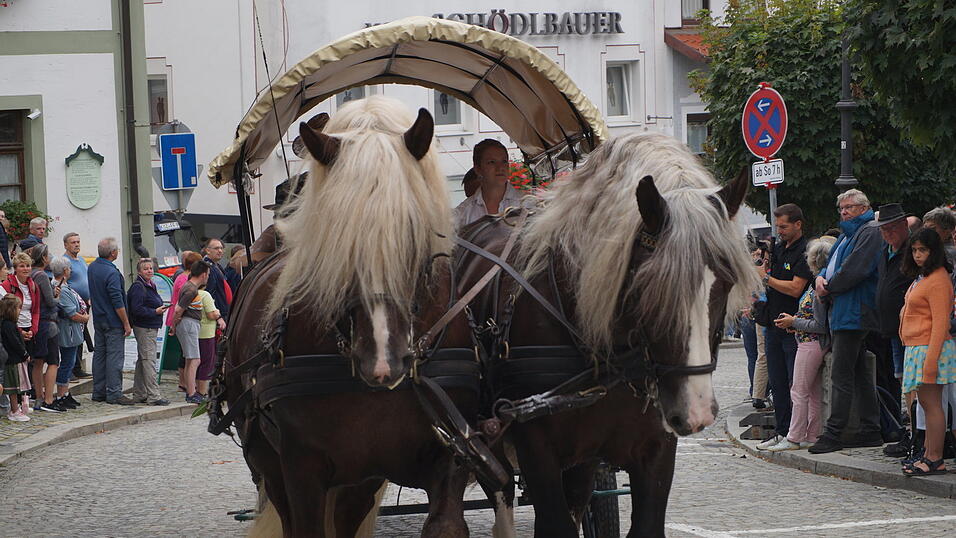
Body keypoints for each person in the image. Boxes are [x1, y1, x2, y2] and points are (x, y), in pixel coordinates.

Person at [809, 189, 884, 454]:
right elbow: (831, 264)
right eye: (841, 208)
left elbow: (856, 269)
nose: (843, 212)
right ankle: (870, 429)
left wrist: (828, 287)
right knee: (860, 373)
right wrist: (820, 278)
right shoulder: (848, 234)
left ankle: (834, 433)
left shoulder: (869, 231)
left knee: (841, 374)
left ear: (863, 208)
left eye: (849, 207)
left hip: (854, 311)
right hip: (844, 310)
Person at [768, 236, 836, 451]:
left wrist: (794, 322)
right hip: (809, 341)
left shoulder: (817, 288)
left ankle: (794, 436)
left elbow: (820, 325)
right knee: (812, 392)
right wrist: (795, 323)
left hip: (811, 343)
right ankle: (812, 434)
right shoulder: (816, 285)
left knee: (798, 391)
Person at [898, 228, 956, 475]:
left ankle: (935, 457)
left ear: (934, 251)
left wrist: (931, 361)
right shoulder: (925, 277)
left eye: (923, 250)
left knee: (932, 405)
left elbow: (941, 323)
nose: (917, 255)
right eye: (914, 250)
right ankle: (929, 453)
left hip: (930, 348)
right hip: (918, 347)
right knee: (926, 403)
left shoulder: (938, 279)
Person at [755, 204, 813, 450]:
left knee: (794, 383)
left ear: (798, 224)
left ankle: (797, 433)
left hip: (794, 326)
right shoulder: (779, 248)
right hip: (774, 324)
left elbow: (795, 288)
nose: (779, 231)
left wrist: (766, 278)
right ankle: (781, 430)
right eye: (777, 226)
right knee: (777, 382)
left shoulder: (805, 250)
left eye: (784, 226)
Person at [873, 205, 915, 456]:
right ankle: (911, 433)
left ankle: (918, 435)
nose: (887, 233)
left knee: (912, 383)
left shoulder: (913, 251)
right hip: (891, 328)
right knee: (902, 380)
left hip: (910, 328)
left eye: (891, 228)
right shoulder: (885, 251)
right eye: (883, 229)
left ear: (904, 226)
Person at [88, 237, 136, 405]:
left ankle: (98, 391)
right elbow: (117, 301)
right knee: (115, 357)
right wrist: (126, 323)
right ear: (113, 253)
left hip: (99, 318)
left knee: (100, 355)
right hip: (113, 320)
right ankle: (114, 392)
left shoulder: (93, 267)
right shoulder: (112, 272)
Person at [454, 139, 529, 228]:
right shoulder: (463, 214)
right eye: (492, 162)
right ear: (478, 169)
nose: (500, 168)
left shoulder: (526, 205)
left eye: (504, 161)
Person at [126, 259, 170, 406]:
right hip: (145, 328)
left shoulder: (150, 284)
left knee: (143, 360)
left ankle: (140, 393)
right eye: (146, 269)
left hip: (150, 326)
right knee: (149, 360)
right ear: (139, 271)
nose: (149, 271)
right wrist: (154, 312)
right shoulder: (139, 287)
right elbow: (136, 309)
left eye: (151, 268)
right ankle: (154, 396)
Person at [28, 244, 65, 412]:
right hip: (47, 322)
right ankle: (48, 399)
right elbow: (50, 302)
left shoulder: (31, 274)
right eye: (48, 255)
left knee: (38, 361)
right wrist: (57, 296)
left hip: (36, 322)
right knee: (53, 362)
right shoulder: (42, 275)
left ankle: (38, 397)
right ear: (43, 258)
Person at [2, 252, 38, 414]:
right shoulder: (8, 285)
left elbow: (36, 310)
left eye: (28, 266)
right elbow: (7, 311)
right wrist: (19, 332)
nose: (26, 269)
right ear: (15, 268)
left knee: (27, 366)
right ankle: (15, 404)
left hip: (29, 327)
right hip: (14, 328)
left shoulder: (32, 285)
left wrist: (33, 330)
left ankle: (25, 400)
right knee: (15, 368)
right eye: (22, 266)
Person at [169, 260, 209, 404]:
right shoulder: (191, 290)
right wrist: (174, 325)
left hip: (188, 323)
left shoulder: (188, 286)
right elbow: (178, 309)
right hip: (189, 324)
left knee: (189, 359)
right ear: (203, 275)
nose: (208, 277)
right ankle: (192, 393)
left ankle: (189, 390)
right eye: (208, 274)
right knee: (195, 359)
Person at [49, 256, 87, 410]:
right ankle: (61, 395)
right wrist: (84, 318)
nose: (70, 270)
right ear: (65, 271)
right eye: (69, 268)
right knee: (67, 363)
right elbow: (70, 312)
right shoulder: (61, 289)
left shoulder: (63, 286)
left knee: (69, 362)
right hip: (68, 331)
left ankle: (65, 393)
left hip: (71, 330)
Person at [166, 250, 202, 392]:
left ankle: (187, 385)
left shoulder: (185, 278)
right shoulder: (185, 280)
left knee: (187, 355)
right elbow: (181, 306)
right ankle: (186, 385)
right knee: (188, 356)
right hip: (183, 319)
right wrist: (175, 323)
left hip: (182, 319)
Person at [63, 232, 92, 379]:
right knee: (73, 336)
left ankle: (77, 367)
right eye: (73, 242)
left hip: (85, 303)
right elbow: (64, 281)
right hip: (73, 304)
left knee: (81, 336)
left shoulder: (81, 260)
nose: (76, 245)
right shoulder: (64, 261)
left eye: (78, 242)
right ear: (66, 245)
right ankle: (71, 368)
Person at [2, 294, 31, 421]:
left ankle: (18, 406)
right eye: (18, 308)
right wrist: (24, 354)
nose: (20, 311)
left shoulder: (10, 324)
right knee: (13, 387)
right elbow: (15, 343)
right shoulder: (7, 325)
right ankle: (14, 410)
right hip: (12, 360)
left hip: (15, 359)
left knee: (18, 385)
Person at [197, 282, 224, 398]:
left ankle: (196, 389)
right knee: (206, 363)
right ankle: (202, 391)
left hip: (195, 332)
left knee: (196, 362)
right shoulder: (205, 295)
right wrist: (218, 313)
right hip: (206, 333)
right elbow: (211, 314)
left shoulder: (192, 293)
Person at [202, 238, 230, 320]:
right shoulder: (207, 267)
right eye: (216, 248)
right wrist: (218, 317)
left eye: (221, 248)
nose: (220, 251)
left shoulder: (217, 266)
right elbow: (210, 293)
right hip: (218, 314)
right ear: (208, 250)